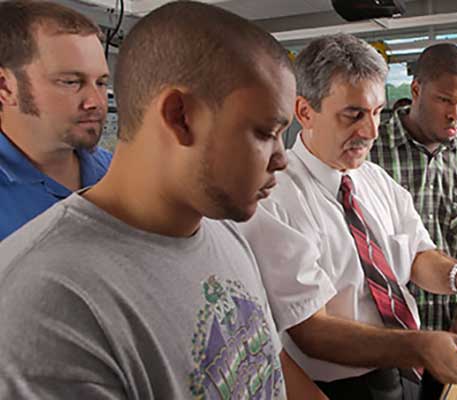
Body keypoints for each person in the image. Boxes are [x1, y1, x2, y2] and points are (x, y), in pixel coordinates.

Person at [0, 2, 327, 399]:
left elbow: (264, 370)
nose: (281, 159)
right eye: (263, 132)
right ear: (180, 116)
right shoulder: (45, 304)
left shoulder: (221, 229)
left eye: (101, 83)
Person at [239, 34, 457, 400]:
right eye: (353, 115)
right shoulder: (277, 198)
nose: (370, 132)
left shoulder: (372, 178)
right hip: (341, 386)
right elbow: (312, 330)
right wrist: (418, 346)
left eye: (378, 112)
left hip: (403, 369)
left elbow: (417, 255)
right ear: (304, 111)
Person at [371, 44, 457, 341]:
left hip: (453, 330)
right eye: (444, 100)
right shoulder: (369, 152)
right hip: (385, 337)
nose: (455, 115)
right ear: (416, 89)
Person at [0, 0, 112, 241]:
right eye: (71, 82)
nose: (96, 102)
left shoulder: (117, 173)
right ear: (5, 87)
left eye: (101, 83)